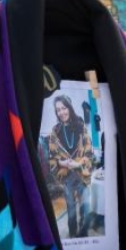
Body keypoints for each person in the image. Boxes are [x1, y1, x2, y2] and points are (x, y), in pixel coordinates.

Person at [44, 94, 94, 238]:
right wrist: (61, 163)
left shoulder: (81, 127)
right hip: (67, 178)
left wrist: (78, 163)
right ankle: (72, 235)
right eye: (58, 110)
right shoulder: (55, 132)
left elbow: (89, 153)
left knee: (85, 207)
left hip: (82, 175)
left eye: (64, 108)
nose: (61, 112)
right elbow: (52, 158)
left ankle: (83, 234)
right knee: (71, 210)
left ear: (69, 108)